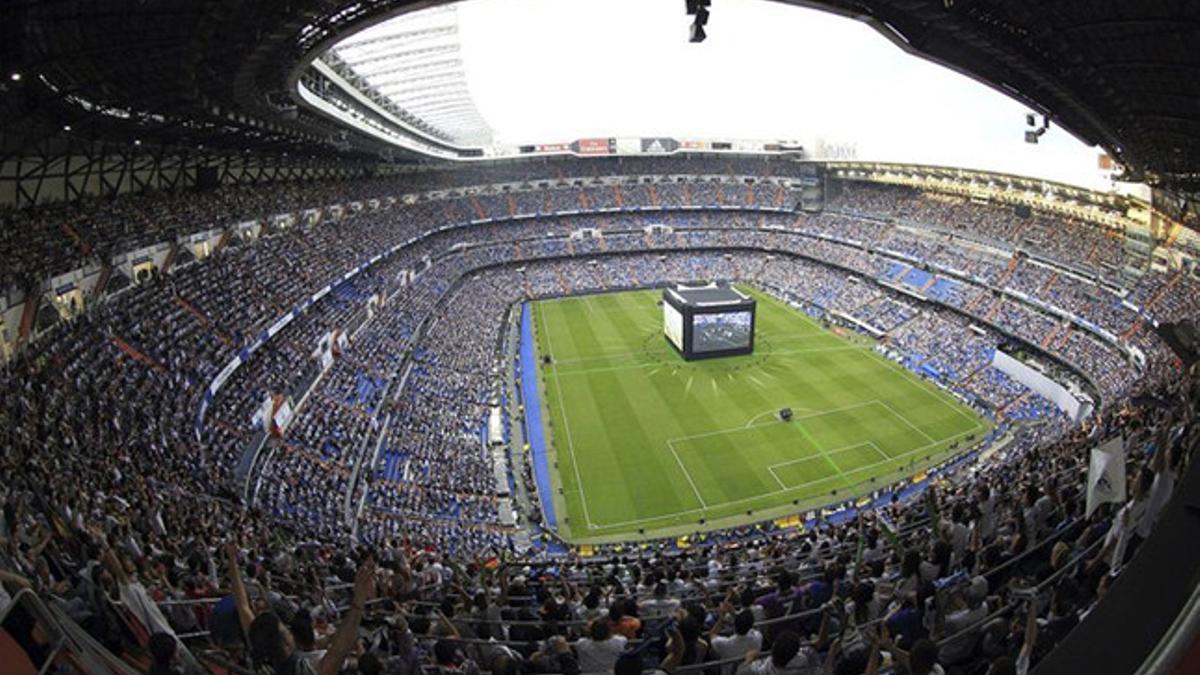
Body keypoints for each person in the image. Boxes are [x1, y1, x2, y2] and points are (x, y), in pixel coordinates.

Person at [230, 542, 375, 675]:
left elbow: (242, 605)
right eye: (285, 630)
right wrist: (358, 603)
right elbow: (337, 653)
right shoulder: (298, 670)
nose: (289, 632)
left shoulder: (259, 649)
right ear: (284, 644)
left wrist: (232, 559)